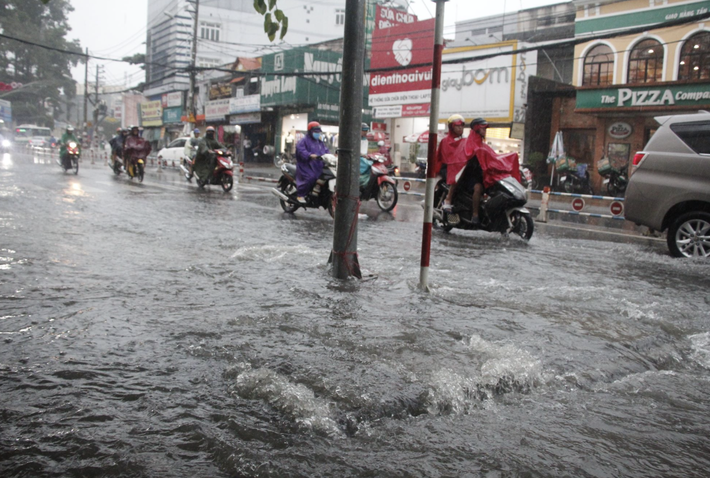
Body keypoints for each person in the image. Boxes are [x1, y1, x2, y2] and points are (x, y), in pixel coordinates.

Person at [295, 121, 329, 203]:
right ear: (310, 131)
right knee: (311, 178)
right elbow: (301, 150)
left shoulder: (320, 142)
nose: (317, 134)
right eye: (315, 132)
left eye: (318, 132)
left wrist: (331, 156)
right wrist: (309, 155)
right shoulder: (303, 141)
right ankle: (301, 195)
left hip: (317, 165)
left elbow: (326, 151)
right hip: (306, 165)